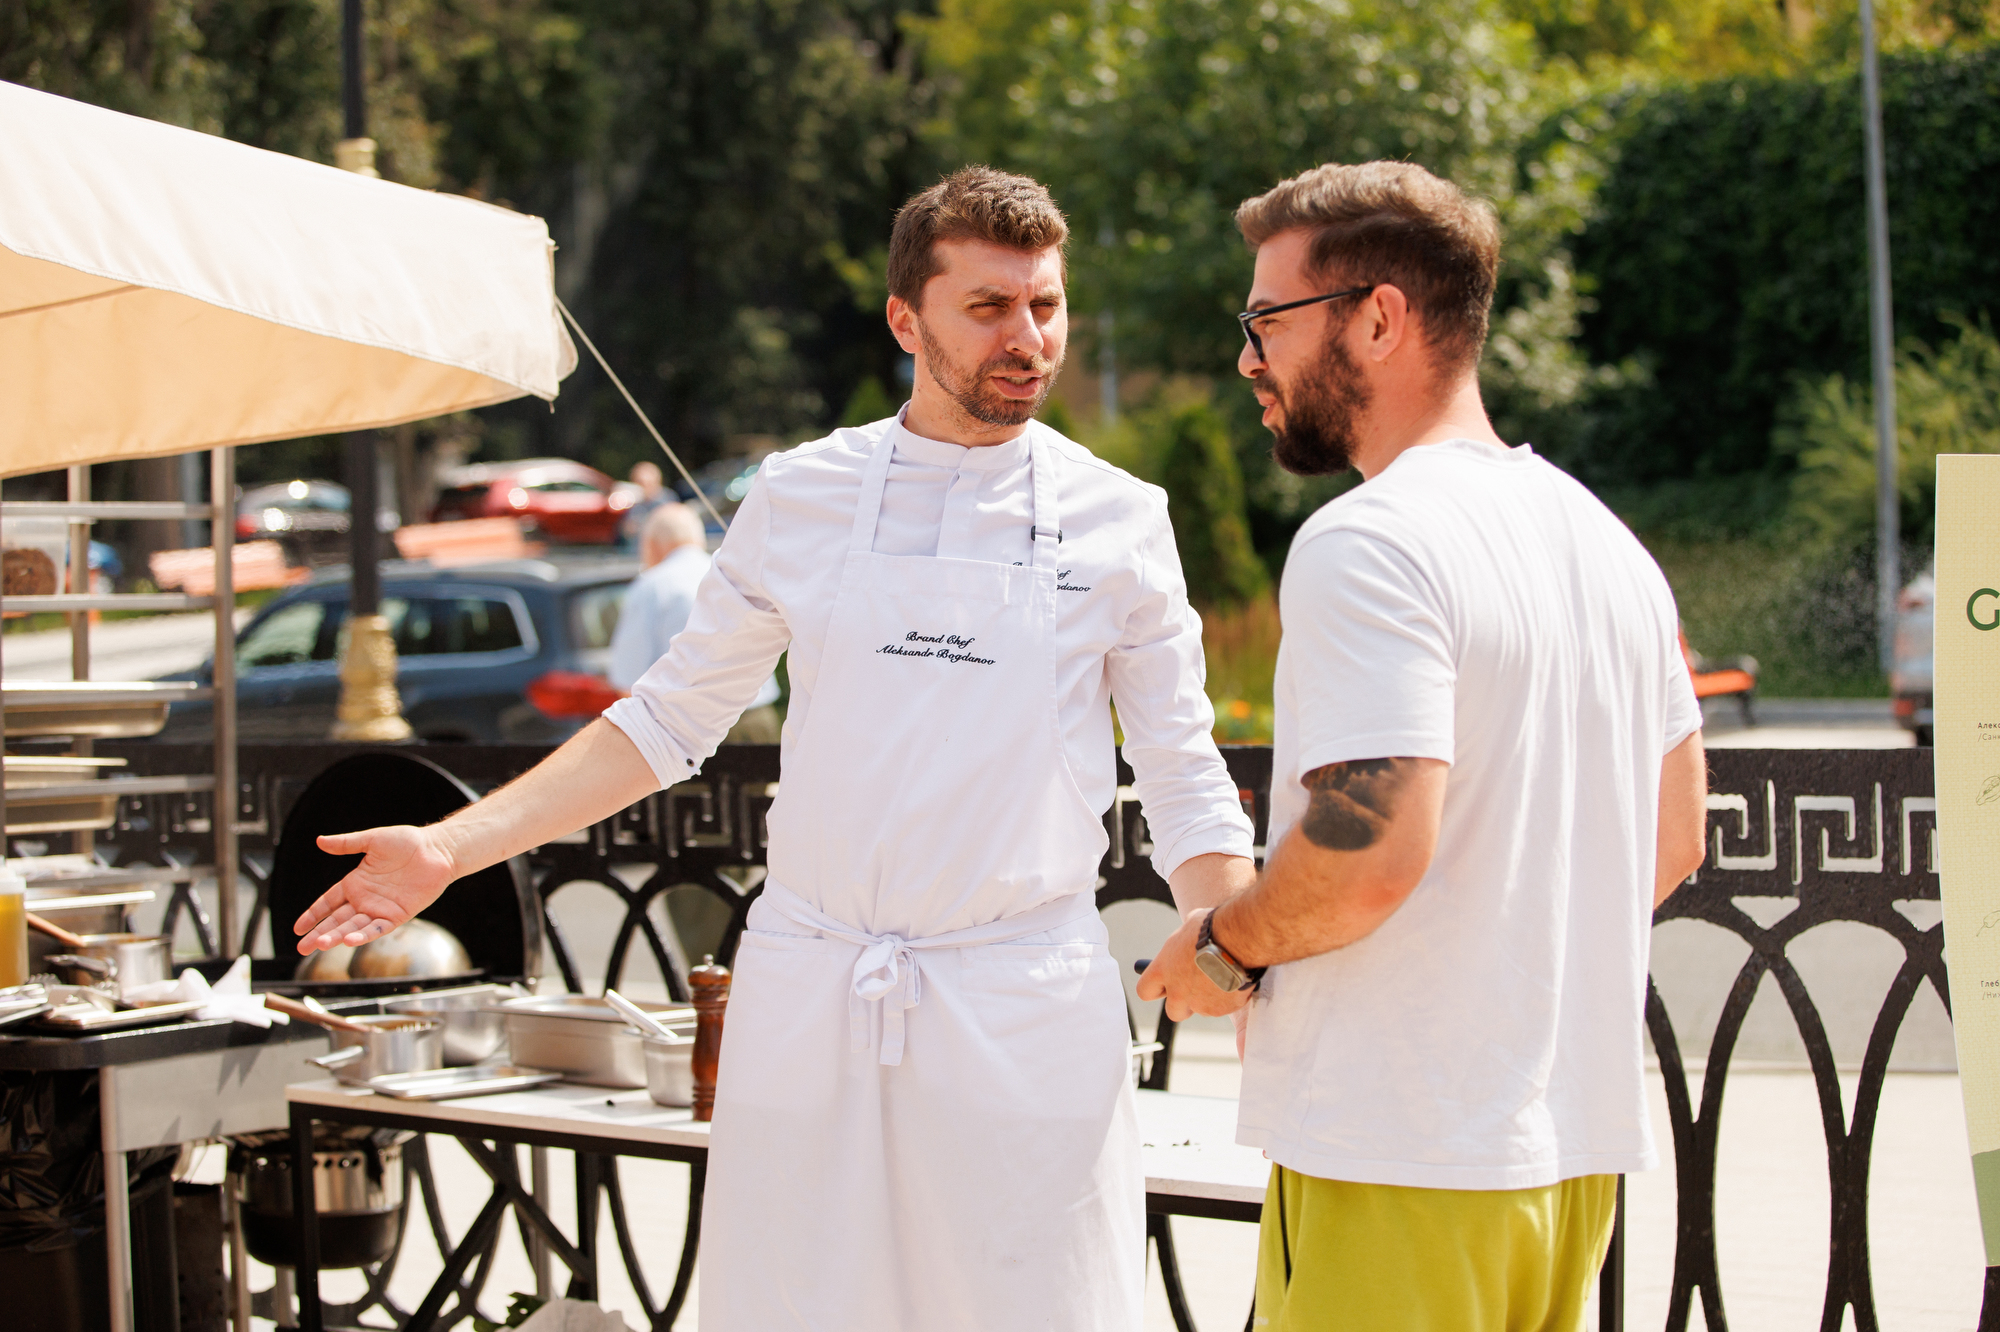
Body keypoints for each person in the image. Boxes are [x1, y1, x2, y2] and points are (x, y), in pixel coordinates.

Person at [290, 166, 1255, 1332]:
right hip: (813, 996)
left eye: (1044, 306)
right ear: (905, 320)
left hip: (1020, 1003)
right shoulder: (801, 493)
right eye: (989, 307)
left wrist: (1234, 948)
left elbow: (1181, 769)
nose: (1028, 338)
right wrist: (450, 848)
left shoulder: (1121, 516)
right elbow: (664, 722)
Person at [1138, 161, 1711, 1329]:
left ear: (1378, 318)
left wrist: (1219, 952)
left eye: (1265, 321)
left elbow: (1366, 851)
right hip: (1563, 1164)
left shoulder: (1370, 542)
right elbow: (1672, 840)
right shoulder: (1608, 547)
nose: (1247, 359)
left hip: (1398, 1151)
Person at [607, 502, 781, 742]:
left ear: (652, 544)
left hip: (690, 732)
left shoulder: (652, 586)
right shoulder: (736, 575)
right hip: (758, 721)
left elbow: (627, 680)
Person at [618, 459, 669, 549]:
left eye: (645, 483)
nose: (641, 487)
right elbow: (622, 531)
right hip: (633, 552)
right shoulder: (632, 502)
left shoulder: (666, 501)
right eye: (637, 482)